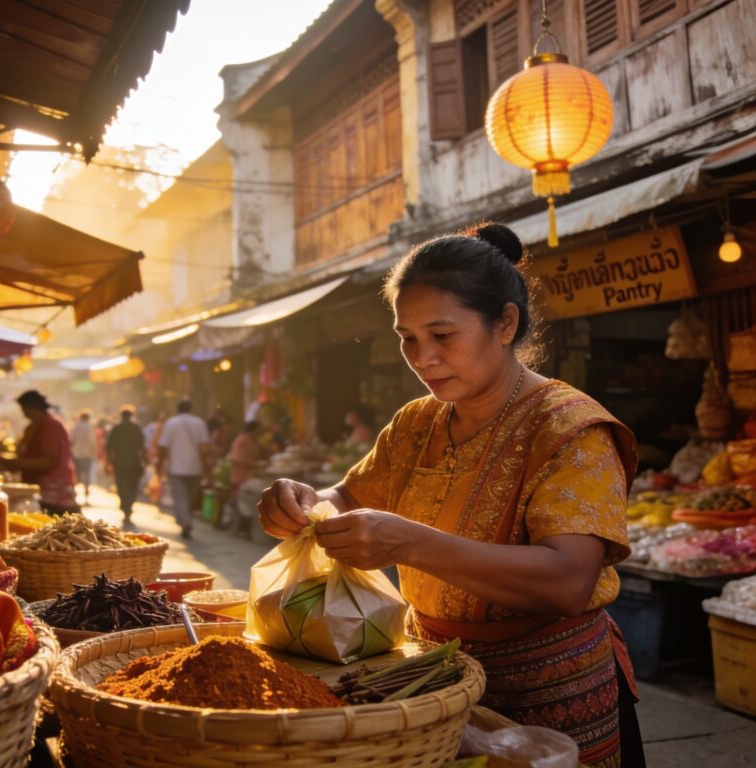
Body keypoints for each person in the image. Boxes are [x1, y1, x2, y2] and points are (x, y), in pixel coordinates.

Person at [258, 223, 644, 767]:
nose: (423, 357)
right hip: (433, 677)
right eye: (408, 338)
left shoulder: (570, 429)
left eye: (443, 335)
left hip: (551, 696)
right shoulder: (417, 422)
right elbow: (347, 495)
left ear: (504, 323)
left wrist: (411, 545)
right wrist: (300, 501)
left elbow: (568, 581)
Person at [0, 390, 77, 515]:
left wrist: (14, 463)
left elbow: (48, 462)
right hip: (37, 490)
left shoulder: (50, 426)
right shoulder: (32, 427)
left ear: (32, 408)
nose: (24, 414)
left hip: (52, 495)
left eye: (24, 409)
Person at [157, 399, 211, 540]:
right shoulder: (199, 423)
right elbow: (204, 448)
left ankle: (185, 521)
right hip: (195, 468)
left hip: (176, 468)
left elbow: (163, 446)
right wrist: (207, 467)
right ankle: (186, 521)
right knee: (190, 497)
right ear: (191, 408)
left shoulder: (171, 423)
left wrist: (159, 464)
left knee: (180, 498)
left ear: (178, 408)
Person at [105, 406, 147, 524]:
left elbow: (109, 447)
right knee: (133, 487)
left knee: (121, 486)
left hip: (119, 462)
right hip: (134, 462)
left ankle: (125, 507)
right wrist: (145, 461)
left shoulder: (116, 428)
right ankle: (128, 508)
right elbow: (142, 446)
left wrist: (108, 462)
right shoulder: (136, 428)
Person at [70, 410, 95, 505]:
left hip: (76, 454)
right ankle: (86, 498)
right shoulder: (89, 427)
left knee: (76, 475)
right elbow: (92, 442)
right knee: (86, 476)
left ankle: (74, 497)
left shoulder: (76, 426)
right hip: (87, 455)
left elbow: (72, 440)